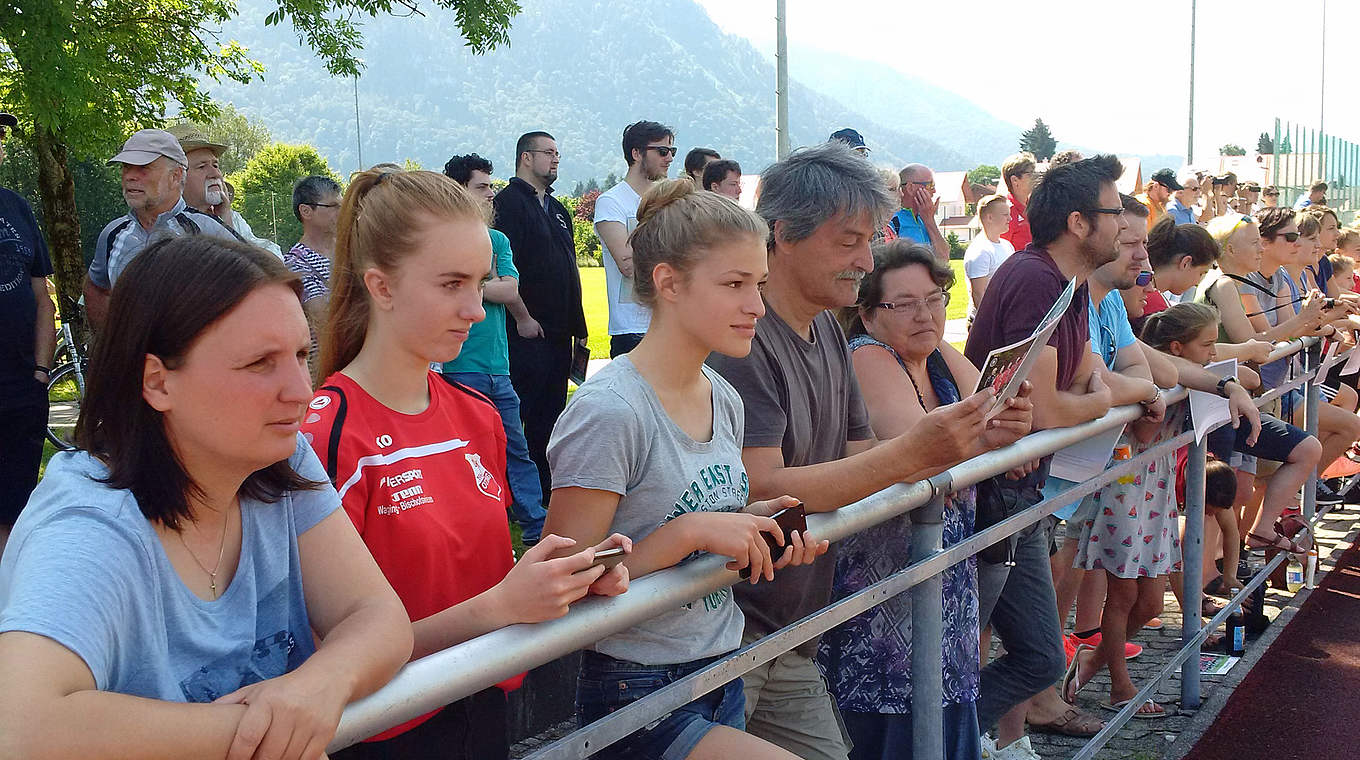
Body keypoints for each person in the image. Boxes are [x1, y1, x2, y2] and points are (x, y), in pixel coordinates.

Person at [0, 235, 413, 758]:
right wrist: (273, 731)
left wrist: (315, 687)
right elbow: (20, 724)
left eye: (302, 355)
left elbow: (377, 616)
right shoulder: (89, 527)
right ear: (158, 382)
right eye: (260, 363)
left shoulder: (278, 461)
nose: (302, 390)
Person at [707, 142, 1033, 760]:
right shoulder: (742, 341)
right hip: (733, 631)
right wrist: (919, 451)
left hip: (792, 626)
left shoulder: (826, 326)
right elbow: (763, 487)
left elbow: (862, 452)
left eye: (871, 237)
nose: (866, 259)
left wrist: (974, 437)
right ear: (783, 235)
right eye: (850, 240)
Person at [302, 168, 625, 759]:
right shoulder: (327, 434)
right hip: (385, 729)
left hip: (482, 705)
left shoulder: (476, 415)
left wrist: (563, 581)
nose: (476, 310)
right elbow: (325, 653)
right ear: (381, 285)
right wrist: (500, 607)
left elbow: (482, 580)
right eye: (451, 284)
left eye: (479, 284)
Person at [546, 180, 826, 760]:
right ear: (668, 282)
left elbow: (694, 517)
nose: (756, 305)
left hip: (719, 665)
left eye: (760, 285)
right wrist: (692, 532)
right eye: (734, 285)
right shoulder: (610, 411)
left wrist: (751, 525)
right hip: (636, 684)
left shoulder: (723, 397)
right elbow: (565, 581)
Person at [964, 156, 1128, 759]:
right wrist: (1092, 403)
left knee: (1034, 653)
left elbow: (1087, 378)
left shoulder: (1070, 283)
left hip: (1021, 490)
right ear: (1080, 222)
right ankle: (948, 737)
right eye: (1115, 213)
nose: (1124, 228)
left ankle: (954, 734)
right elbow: (1043, 406)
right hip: (993, 491)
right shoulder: (1035, 278)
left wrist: (1090, 397)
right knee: (997, 645)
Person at [823, 241, 989, 760]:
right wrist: (991, 434)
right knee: (899, 728)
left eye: (935, 298)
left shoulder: (932, 352)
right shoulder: (869, 356)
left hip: (941, 578)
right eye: (905, 304)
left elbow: (1002, 404)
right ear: (868, 316)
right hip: (885, 591)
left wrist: (992, 429)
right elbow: (922, 448)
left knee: (944, 708)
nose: (926, 314)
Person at [441, 153, 547, 545]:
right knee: (467, 455)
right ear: (459, 191)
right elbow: (496, 288)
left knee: (514, 448)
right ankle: (479, 531)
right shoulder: (441, 241)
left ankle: (536, 526)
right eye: (482, 187)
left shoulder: (497, 239)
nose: (491, 195)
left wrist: (465, 284)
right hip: (456, 368)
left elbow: (511, 289)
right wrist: (488, 283)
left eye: (491, 185)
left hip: (497, 368)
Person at [493, 131, 587, 501]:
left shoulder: (559, 209)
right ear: (526, 158)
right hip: (526, 330)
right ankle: (517, 494)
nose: (555, 159)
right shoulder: (508, 204)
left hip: (561, 331)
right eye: (548, 152)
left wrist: (578, 327)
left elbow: (569, 267)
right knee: (521, 412)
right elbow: (505, 266)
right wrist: (523, 317)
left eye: (558, 153)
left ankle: (545, 488)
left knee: (552, 412)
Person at [85, 128, 237, 328]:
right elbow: (95, 288)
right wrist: (110, 345)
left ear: (175, 176)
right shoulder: (113, 233)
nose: (130, 176)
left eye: (143, 168)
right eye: (126, 167)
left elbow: (254, 288)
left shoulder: (207, 229)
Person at [0, 109, 55, 556]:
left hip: (21, 384)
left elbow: (42, 296)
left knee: (16, 505)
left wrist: (41, 372)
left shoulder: (16, 207)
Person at [595, 121, 675, 357]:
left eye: (672, 151)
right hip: (632, 330)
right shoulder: (612, 202)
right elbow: (627, 264)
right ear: (636, 153)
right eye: (662, 151)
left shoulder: (670, 200)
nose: (669, 158)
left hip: (671, 323)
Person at [168, 122, 282, 257]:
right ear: (176, 177)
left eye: (215, 165)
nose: (215, 174)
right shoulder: (167, 225)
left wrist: (226, 225)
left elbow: (276, 262)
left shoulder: (232, 218)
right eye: (202, 167)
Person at [285, 174, 343, 376]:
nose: (342, 211)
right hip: (329, 373)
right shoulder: (296, 263)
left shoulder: (352, 250)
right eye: (333, 206)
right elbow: (323, 318)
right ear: (306, 211)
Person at [963, 194, 1014, 322]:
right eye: (1005, 215)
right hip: (988, 322)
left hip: (1005, 318)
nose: (1010, 218)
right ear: (989, 217)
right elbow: (978, 294)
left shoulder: (1007, 245)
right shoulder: (980, 251)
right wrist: (990, 324)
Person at [1145, 217, 1218, 299]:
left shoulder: (1137, 290)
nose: (1197, 282)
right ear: (1186, 263)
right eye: (1201, 273)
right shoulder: (1150, 301)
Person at [888, 164, 950, 261]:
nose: (934, 191)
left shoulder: (924, 218)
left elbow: (944, 258)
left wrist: (930, 220)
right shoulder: (892, 221)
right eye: (930, 185)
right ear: (910, 188)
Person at [999, 152, 1036, 250]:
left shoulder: (1035, 207)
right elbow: (1000, 252)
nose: (1035, 178)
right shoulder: (1005, 212)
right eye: (1030, 174)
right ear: (1015, 180)